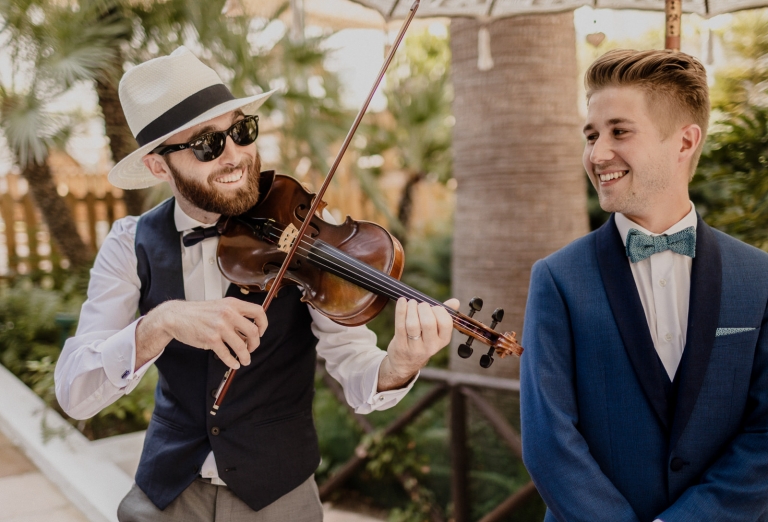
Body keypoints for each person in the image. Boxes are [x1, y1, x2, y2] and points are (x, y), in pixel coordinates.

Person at [54, 46, 458, 522]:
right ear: (159, 166)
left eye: (241, 131)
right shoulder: (129, 244)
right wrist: (158, 325)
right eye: (207, 145)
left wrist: (400, 363)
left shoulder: (299, 227)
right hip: (166, 495)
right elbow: (74, 391)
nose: (235, 156)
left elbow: (356, 370)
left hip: (279, 498)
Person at [520, 49, 768, 521]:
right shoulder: (557, 279)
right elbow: (549, 442)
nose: (597, 154)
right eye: (591, 135)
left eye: (620, 131)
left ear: (685, 141)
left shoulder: (759, 278)